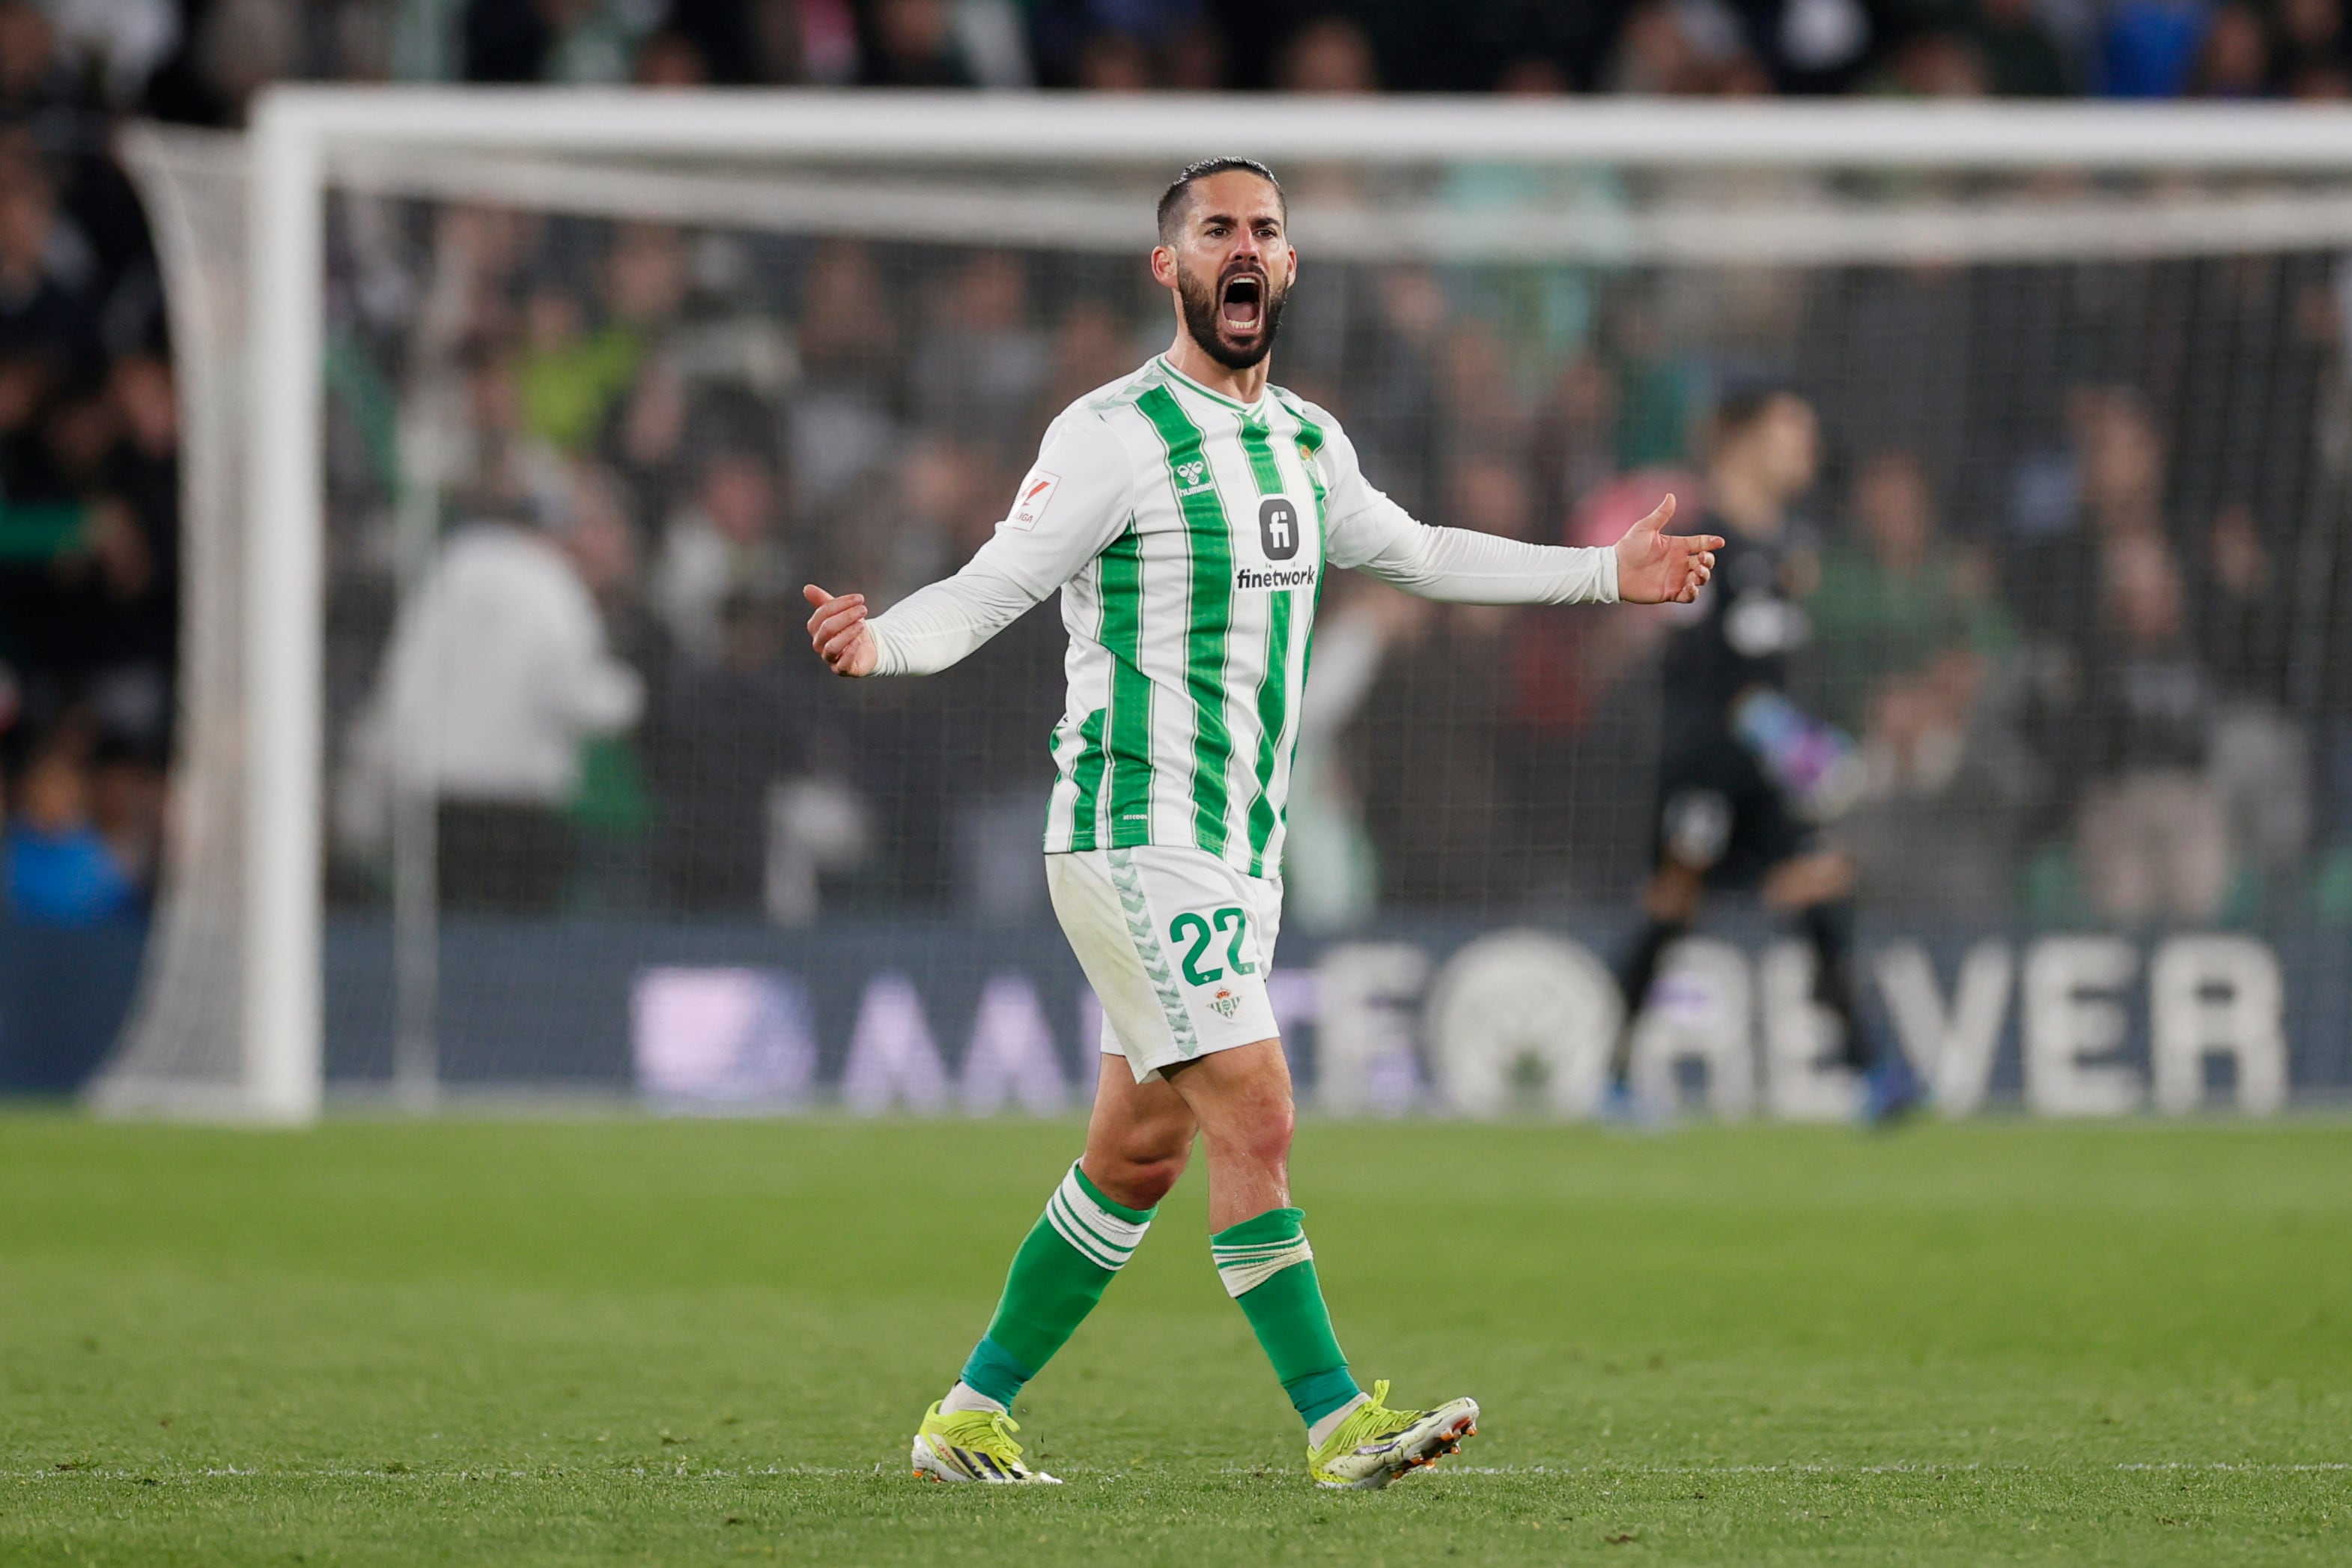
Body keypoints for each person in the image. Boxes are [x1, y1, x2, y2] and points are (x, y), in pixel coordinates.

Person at [802, 158, 1720, 1489]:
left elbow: (1417, 550)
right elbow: (997, 582)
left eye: (1267, 230)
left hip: (1239, 845)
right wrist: (882, 642)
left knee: (1136, 1151)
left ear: (1287, 268)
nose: (1246, 247)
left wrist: (1602, 573)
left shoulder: (1306, 439)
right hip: (1129, 829)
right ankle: (1339, 1422)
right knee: (1258, 1108)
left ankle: (969, 1413)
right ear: (1167, 267)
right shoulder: (1109, 434)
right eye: (1217, 228)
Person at [1602, 387, 1923, 1124]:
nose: (1806, 447)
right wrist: (1784, 731)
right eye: (1791, 431)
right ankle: (1613, 1075)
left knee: (1820, 884)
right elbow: (1699, 673)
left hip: (1766, 771)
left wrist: (1791, 736)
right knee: (1672, 907)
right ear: (1744, 441)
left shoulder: (1788, 550)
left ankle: (1869, 1073)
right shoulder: (1701, 540)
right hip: (1706, 765)